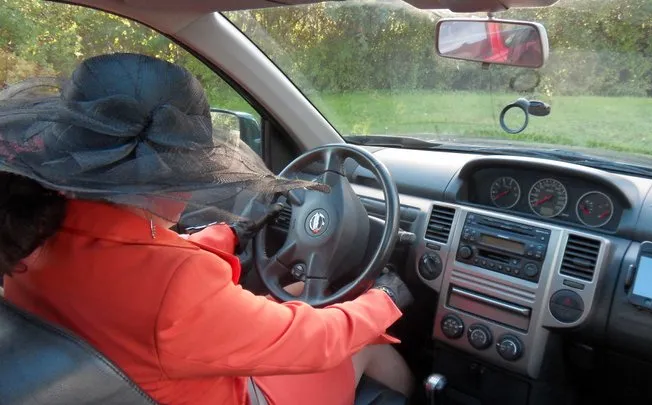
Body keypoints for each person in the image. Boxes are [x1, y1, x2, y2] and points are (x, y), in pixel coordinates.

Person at [0, 53, 414, 405]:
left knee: (301, 293)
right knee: (361, 334)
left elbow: (137, 261)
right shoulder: (174, 286)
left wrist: (232, 234)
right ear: (171, 176)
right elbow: (317, 341)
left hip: (136, 375)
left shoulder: (38, 228)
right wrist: (384, 298)